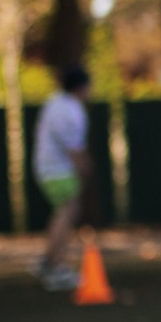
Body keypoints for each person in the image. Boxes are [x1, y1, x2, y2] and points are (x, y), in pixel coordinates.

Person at [31, 64, 92, 290]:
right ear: (81, 87)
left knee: (63, 211)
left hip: (47, 167)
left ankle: (49, 261)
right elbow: (73, 147)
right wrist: (84, 168)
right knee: (67, 212)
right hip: (58, 170)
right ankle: (57, 266)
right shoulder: (72, 110)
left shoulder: (54, 103)